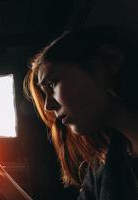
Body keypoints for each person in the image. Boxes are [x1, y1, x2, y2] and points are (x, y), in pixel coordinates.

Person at [23, 27, 138, 199]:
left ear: (109, 61)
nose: (48, 105)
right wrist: (1, 181)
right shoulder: (102, 165)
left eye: (52, 84)